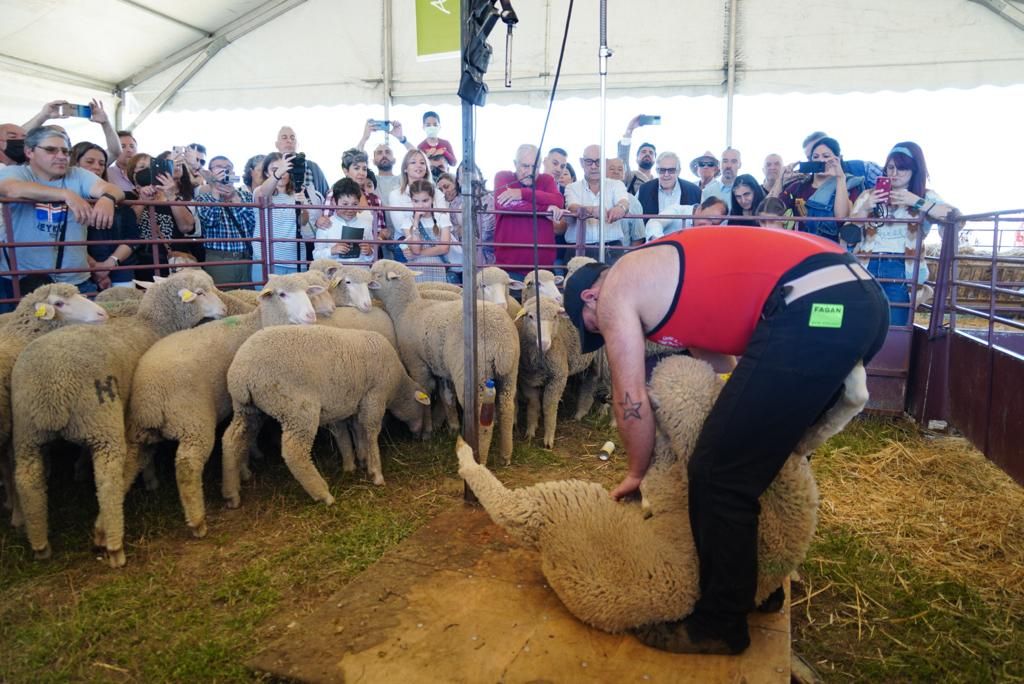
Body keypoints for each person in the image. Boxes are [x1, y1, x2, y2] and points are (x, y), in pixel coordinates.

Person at [562, 226, 889, 655]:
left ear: (590, 297)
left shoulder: (617, 288)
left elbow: (630, 397)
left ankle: (721, 622)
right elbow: (724, 370)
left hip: (815, 305)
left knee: (719, 473)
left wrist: (638, 471)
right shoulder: (665, 281)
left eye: (595, 329)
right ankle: (756, 586)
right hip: (857, 302)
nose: (605, 335)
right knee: (753, 463)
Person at [0, 126, 124, 309]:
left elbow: (113, 189)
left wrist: (107, 198)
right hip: (22, 280)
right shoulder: (17, 173)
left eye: (66, 151)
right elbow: (12, 189)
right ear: (29, 152)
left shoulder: (78, 175)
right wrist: (66, 194)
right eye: (51, 150)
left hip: (75, 280)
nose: (61, 156)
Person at [850, 142, 955, 325]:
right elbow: (849, 231)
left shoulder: (925, 196)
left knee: (895, 324)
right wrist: (866, 208)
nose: (894, 173)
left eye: (902, 168)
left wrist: (917, 201)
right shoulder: (869, 195)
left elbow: (954, 217)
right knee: (862, 323)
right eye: (891, 167)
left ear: (915, 170)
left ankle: (891, 353)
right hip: (868, 263)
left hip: (902, 268)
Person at [69, 143, 137, 289]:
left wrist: (109, 264)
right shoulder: (67, 201)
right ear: (74, 163)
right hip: (79, 269)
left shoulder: (119, 200)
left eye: (101, 163)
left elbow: (131, 238)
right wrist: (95, 267)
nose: (97, 167)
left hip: (120, 267)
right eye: (89, 162)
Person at [492, 144, 564, 278]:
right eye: (525, 166)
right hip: (509, 267)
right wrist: (545, 208)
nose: (531, 171)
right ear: (515, 164)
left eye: (535, 167)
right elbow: (504, 205)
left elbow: (558, 201)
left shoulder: (547, 180)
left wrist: (522, 193)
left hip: (544, 268)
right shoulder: (503, 177)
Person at [125, 152, 197, 280]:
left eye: (151, 166)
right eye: (142, 168)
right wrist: (142, 200)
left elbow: (187, 227)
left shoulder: (174, 197)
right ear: (133, 175)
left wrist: (171, 195)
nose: (148, 171)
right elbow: (126, 227)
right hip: (140, 265)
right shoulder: (128, 198)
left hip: (173, 264)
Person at [781, 137, 863, 243]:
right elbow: (770, 208)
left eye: (826, 156)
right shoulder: (799, 186)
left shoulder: (848, 184)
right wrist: (780, 178)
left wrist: (840, 177)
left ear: (838, 159)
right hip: (803, 244)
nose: (821, 160)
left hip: (833, 248)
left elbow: (841, 217)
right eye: (816, 157)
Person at [195, 155, 257, 286]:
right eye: (219, 168)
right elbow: (211, 221)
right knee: (224, 300)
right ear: (210, 173)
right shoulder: (203, 198)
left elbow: (254, 223)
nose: (224, 171)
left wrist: (235, 198)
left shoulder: (246, 196)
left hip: (247, 258)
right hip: (219, 259)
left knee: (250, 300)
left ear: (233, 173)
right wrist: (216, 193)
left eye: (228, 168)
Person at [564, 144, 632, 263]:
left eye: (598, 161)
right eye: (589, 161)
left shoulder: (616, 184)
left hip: (612, 249)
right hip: (579, 250)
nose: (594, 166)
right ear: (581, 162)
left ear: (605, 163)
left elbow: (624, 201)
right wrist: (592, 210)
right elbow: (572, 207)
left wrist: (620, 208)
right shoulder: (571, 187)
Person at [253, 152, 317, 278]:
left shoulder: (299, 192)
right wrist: (279, 172)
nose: (282, 174)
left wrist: (302, 206)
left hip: (296, 260)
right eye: (274, 170)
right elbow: (263, 194)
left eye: (285, 170)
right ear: (266, 173)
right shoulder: (260, 191)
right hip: (268, 260)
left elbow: (302, 222)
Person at [388, 149, 451, 262]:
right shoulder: (396, 194)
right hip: (408, 242)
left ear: (426, 168)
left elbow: (442, 220)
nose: (419, 165)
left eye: (422, 163)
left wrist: (419, 252)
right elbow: (399, 227)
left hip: (436, 239)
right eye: (413, 162)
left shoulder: (438, 193)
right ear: (405, 169)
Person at [403, 179, 455, 283]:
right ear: (411, 200)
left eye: (425, 200)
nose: (421, 205)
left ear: (432, 199)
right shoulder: (407, 221)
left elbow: (444, 248)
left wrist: (417, 254)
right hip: (415, 270)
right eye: (416, 201)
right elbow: (415, 248)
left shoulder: (442, 217)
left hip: (437, 268)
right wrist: (416, 221)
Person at [313, 178, 373, 264]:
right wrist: (332, 251)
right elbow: (316, 256)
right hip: (334, 274)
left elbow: (371, 256)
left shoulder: (366, 223)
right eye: (345, 204)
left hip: (360, 273)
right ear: (334, 202)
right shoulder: (325, 225)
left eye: (355, 204)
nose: (350, 209)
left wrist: (369, 252)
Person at [637, 152, 701, 228]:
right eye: (662, 170)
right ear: (657, 171)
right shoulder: (643, 190)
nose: (666, 174)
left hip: (684, 238)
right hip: (652, 238)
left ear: (679, 171)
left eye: (671, 170)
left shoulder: (695, 191)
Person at [643, 196, 729, 241]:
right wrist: (661, 243)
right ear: (699, 208)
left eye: (714, 224)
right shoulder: (677, 210)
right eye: (708, 218)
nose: (708, 226)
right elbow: (655, 222)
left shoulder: (713, 232)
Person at [274, 126, 329, 196]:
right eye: (284, 138)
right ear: (276, 144)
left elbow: (325, 194)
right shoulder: (270, 166)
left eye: (292, 138)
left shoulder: (312, 167)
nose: (289, 141)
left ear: (297, 144)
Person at [618, 115, 658, 194]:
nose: (647, 154)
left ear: (655, 159)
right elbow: (622, 160)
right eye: (643, 152)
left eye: (651, 153)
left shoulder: (659, 181)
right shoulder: (630, 176)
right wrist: (629, 129)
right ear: (636, 158)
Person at [701, 148, 741, 212]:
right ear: (719, 165)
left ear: (740, 165)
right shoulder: (707, 192)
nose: (729, 165)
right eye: (725, 161)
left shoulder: (745, 192)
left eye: (733, 161)